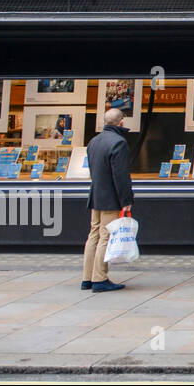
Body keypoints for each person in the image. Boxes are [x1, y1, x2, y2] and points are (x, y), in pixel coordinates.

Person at [82, 108, 134, 293]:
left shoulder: (94, 141)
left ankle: (87, 278)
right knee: (106, 236)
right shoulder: (118, 142)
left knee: (94, 235)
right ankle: (100, 279)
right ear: (121, 122)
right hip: (110, 197)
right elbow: (120, 175)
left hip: (95, 194)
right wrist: (126, 199)